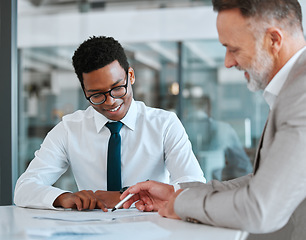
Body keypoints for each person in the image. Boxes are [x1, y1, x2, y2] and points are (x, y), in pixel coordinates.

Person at [121, 0, 306, 239]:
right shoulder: (292, 89)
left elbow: (260, 208)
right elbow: (267, 182)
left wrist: (183, 203)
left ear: (274, 40)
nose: (228, 62)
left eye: (234, 49)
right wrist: (177, 194)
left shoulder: (301, 94)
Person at [14, 36, 205, 211]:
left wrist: (126, 195)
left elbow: (195, 185)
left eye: (117, 88)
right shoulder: (68, 129)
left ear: (130, 76)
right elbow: (24, 189)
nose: (110, 101)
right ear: (85, 91)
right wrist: (63, 197)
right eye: (96, 94)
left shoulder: (164, 124)